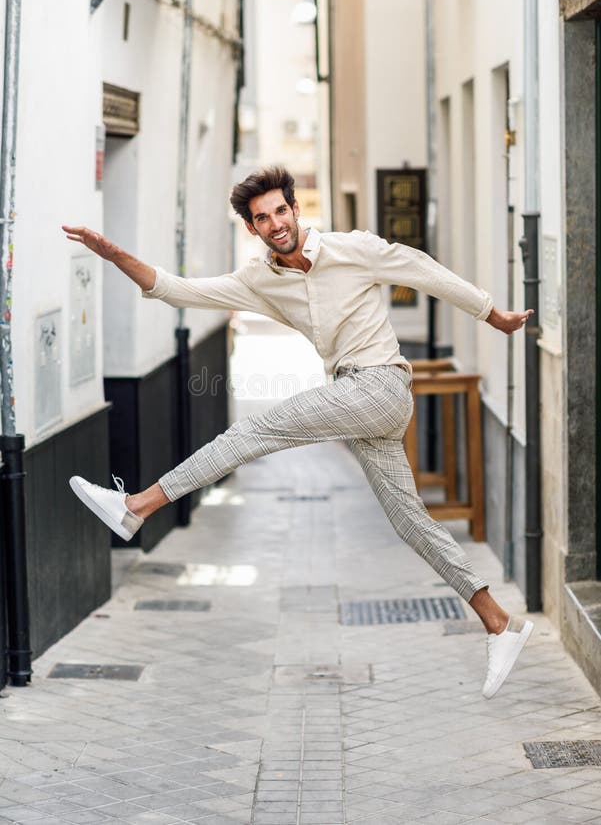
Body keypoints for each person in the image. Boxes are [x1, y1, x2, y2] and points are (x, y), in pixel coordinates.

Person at [63, 165, 534, 700]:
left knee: (253, 431)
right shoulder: (258, 280)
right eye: (262, 218)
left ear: (295, 208)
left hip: (380, 386)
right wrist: (114, 255)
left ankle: (137, 507)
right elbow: (176, 290)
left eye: (280, 211)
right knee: (409, 521)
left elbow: (419, 267)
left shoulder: (350, 248)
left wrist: (489, 312)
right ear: (253, 228)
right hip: (356, 399)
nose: (274, 223)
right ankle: (499, 623)